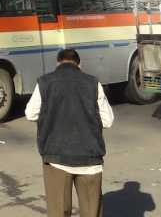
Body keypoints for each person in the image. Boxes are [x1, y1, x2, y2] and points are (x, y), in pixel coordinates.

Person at [25, 48, 114, 217]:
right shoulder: (93, 83)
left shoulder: (45, 82)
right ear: (79, 64)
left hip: (56, 158)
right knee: (91, 211)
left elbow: (31, 113)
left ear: (58, 63)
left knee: (59, 211)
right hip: (90, 159)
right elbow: (108, 120)